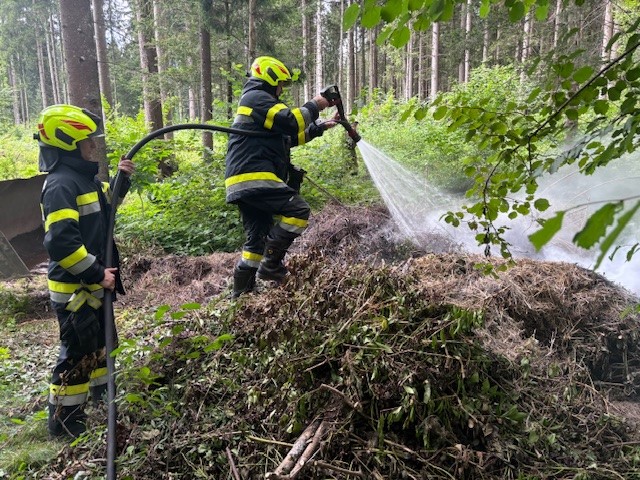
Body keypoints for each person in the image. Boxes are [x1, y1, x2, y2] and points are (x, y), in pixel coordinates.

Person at [35, 104, 135, 438]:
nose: (92, 146)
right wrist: (96, 273)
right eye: (87, 141)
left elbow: (107, 208)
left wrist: (122, 180)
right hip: (76, 290)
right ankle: (65, 425)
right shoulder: (61, 185)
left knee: (102, 346)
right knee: (77, 356)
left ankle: (105, 400)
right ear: (68, 143)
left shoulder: (84, 180)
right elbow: (62, 243)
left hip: (93, 287)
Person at [225, 56, 339, 298]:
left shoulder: (257, 102)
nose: (281, 90)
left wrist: (320, 127)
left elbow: (287, 139)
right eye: (281, 84)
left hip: (243, 182)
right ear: (270, 79)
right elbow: (290, 122)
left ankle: (240, 297)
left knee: (256, 241)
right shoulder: (256, 97)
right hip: (255, 176)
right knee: (298, 211)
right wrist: (316, 104)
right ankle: (271, 265)